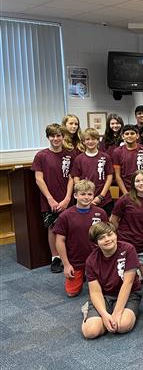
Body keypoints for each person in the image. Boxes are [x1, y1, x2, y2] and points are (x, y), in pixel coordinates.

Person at [81, 222, 142, 339]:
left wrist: (117, 313)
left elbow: (128, 283)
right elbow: (95, 291)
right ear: (96, 243)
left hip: (130, 294)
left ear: (115, 234)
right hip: (104, 296)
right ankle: (89, 312)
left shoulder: (128, 249)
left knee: (122, 325)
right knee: (91, 332)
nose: (107, 239)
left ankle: (114, 313)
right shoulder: (91, 261)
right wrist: (104, 315)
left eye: (110, 234)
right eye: (101, 238)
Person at [54, 180, 108, 296]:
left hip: (97, 259)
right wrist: (66, 265)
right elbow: (59, 241)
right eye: (83, 194)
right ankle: (81, 274)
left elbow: (107, 236)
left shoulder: (101, 213)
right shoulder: (65, 216)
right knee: (71, 293)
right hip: (76, 260)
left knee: (106, 290)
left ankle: (92, 274)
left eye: (89, 194)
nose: (86, 197)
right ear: (75, 195)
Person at [33, 123, 74, 273]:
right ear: (48, 137)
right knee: (53, 228)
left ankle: (69, 257)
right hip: (49, 199)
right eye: (52, 136)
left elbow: (72, 178)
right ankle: (55, 258)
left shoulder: (70, 155)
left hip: (67, 198)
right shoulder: (41, 156)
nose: (56, 138)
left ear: (63, 137)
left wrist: (67, 198)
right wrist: (50, 199)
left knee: (70, 227)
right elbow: (39, 179)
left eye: (58, 135)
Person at [110, 170, 143, 282]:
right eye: (137, 181)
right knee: (125, 278)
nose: (141, 183)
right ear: (133, 184)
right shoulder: (125, 199)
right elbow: (113, 221)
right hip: (126, 243)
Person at [72, 128, 114, 216]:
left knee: (105, 223)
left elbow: (109, 177)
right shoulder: (79, 159)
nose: (90, 142)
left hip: (104, 199)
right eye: (87, 139)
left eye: (93, 139)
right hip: (84, 200)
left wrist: (101, 196)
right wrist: (84, 196)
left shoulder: (105, 157)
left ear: (98, 140)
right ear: (83, 141)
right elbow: (76, 178)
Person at [112, 124, 143, 194]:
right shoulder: (117, 152)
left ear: (137, 136)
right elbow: (117, 176)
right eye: (127, 134)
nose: (129, 136)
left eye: (132, 133)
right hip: (124, 190)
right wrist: (125, 193)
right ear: (123, 136)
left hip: (142, 189)